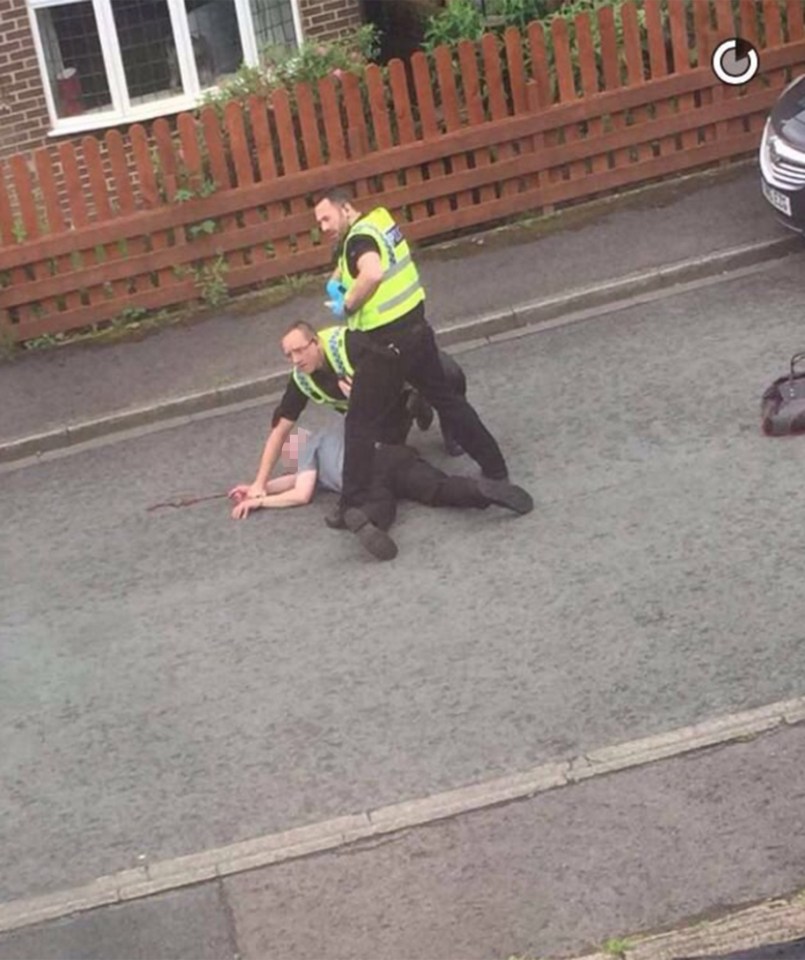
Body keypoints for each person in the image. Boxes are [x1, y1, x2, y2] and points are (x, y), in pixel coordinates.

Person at [314, 188, 511, 502]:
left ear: (346, 208)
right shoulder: (378, 221)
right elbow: (357, 265)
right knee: (447, 401)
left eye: (326, 218)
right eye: (319, 222)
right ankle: (496, 469)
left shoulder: (358, 240)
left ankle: (353, 501)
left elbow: (373, 272)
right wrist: (337, 278)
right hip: (417, 330)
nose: (323, 227)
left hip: (385, 343)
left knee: (359, 422)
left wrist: (348, 304)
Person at [230, 418, 533, 561]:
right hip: (393, 455)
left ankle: (367, 523)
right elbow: (295, 480)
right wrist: (259, 489)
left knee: (378, 505)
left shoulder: (309, 445)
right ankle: (479, 491)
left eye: (287, 454)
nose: (286, 461)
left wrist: (262, 504)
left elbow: (301, 492)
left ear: (295, 444)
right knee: (439, 488)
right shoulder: (336, 430)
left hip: (365, 473)